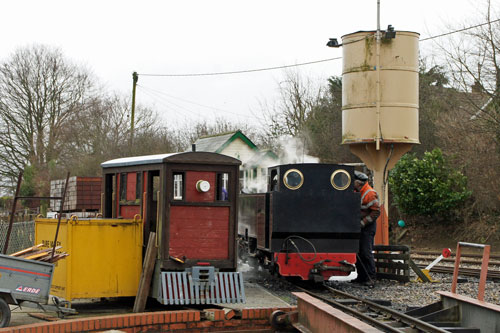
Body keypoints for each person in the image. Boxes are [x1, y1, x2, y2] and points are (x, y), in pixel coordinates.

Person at [353, 170, 380, 287]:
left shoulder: (369, 194)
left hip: (367, 227)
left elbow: (376, 213)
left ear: (359, 183)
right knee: (358, 252)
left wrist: (363, 223)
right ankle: (361, 277)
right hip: (359, 226)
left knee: (366, 252)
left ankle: (371, 277)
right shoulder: (356, 191)